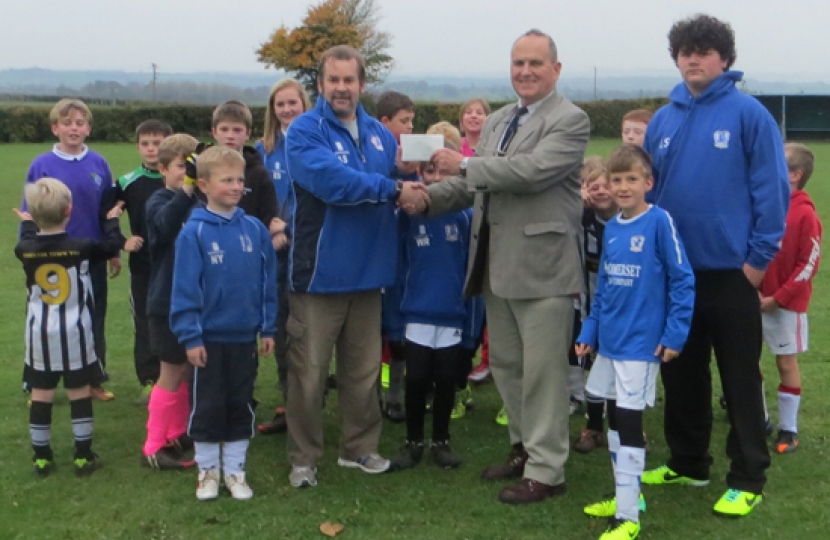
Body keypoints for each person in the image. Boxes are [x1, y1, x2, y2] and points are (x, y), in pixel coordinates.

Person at [416, 29, 591, 505]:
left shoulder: (570, 120)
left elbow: (530, 172)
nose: (526, 71)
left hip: (543, 268)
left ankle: (548, 470)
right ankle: (524, 449)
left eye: (536, 63)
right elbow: (475, 185)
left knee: (542, 374)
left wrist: (466, 165)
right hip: (497, 263)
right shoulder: (496, 121)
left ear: (555, 69)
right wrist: (423, 199)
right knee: (510, 367)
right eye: (518, 63)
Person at [641, 14, 789, 518]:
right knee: (680, 372)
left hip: (732, 274)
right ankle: (688, 463)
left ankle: (748, 475)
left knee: (739, 377)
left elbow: (772, 192)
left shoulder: (749, 115)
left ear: (724, 60)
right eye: (685, 51)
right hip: (677, 274)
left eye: (703, 51)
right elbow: (648, 194)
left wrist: (756, 262)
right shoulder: (663, 120)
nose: (693, 58)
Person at [283, 45, 426, 488]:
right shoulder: (305, 132)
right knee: (308, 375)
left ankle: (359, 449)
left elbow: (393, 182)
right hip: (320, 275)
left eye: (349, 80)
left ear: (362, 84)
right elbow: (334, 183)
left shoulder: (380, 135)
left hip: (370, 275)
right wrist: (395, 187)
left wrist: (413, 177)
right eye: (333, 80)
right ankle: (304, 457)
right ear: (321, 84)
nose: (341, 88)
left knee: (363, 373)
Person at [576, 145, 695, 540]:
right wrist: (590, 330)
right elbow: (605, 287)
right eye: (616, 179)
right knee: (613, 419)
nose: (623, 187)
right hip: (609, 343)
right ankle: (629, 496)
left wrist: (675, 333)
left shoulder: (660, 222)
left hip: (641, 345)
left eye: (631, 179)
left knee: (629, 423)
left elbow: (682, 279)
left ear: (648, 183)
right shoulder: (612, 228)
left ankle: (628, 519)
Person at [170, 146, 277, 501]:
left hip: (244, 337)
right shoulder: (194, 233)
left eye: (240, 180)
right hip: (207, 340)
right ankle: (207, 472)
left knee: (240, 402)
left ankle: (235, 471)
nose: (235, 186)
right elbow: (185, 289)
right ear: (203, 184)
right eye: (226, 180)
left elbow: (267, 282)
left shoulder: (255, 229)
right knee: (208, 405)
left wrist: (268, 327)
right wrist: (191, 336)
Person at [14, 178, 127, 477]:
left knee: (41, 393)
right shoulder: (82, 247)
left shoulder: (24, 249)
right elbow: (113, 244)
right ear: (69, 210)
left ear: (35, 215)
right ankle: (82, 455)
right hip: (75, 332)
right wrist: (112, 220)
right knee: (78, 391)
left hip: (39, 334)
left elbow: (25, 239)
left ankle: (41, 456)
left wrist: (27, 224)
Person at [23, 98, 120, 402]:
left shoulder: (99, 163)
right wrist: (28, 250)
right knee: (45, 320)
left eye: (80, 123)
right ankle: (38, 383)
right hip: (49, 258)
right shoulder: (41, 165)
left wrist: (113, 251)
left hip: (90, 256)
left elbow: (108, 210)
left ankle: (93, 378)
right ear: (55, 128)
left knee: (92, 318)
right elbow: (30, 212)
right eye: (67, 123)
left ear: (88, 128)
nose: (74, 128)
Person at [391, 143, 472, 471]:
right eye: (430, 171)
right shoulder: (408, 217)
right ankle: (413, 442)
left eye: (445, 173)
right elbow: (397, 268)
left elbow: (471, 270)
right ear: (419, 173)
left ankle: (441, 440)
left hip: (452, 312)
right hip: (417, 312)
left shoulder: (466, 216)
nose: (436, 178)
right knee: (417, 379)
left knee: (446, 379)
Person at [255, 78, 312, 436]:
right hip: (271, 252)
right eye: (281, 104)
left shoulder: (314, 144)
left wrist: (287, 230)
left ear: (304, 105)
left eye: (293, 103)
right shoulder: (263, 149)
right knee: (279, 326)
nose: (287, 110)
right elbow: (252, 198)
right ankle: (287, 404)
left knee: (306, 331)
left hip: (306, 248)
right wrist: (269, 228)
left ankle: (307, 404)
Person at [141, 134, 202, 470]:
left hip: (193, 300)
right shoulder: (159, 200)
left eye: (193, 166)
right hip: (165, 301)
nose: (187, 174)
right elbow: (164, 227)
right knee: (169, 371)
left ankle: (177, 432)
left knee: (185, 371)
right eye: (182, 167)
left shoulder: (198, 202)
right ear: (162, 168)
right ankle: (153, 445)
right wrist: (187, 191)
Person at [759, 143, 822, 455]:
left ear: (795, 175)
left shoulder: (805, 214)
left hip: (785, 306)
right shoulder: (763, 204)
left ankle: (789, 428)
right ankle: (760, 419)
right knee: (745, 361)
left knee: (785, 362)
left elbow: (809, 264)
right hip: (754, 299)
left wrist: (778, 297)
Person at [114, 119, 173, 403]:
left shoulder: (177, 179)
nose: (152, 149)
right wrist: (121, 241)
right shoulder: (127, 182)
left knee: (176, 320)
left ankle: (176, 377)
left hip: (175, 264)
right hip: (143, 266)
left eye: (158, 143)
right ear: (137, 147)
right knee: (145, 321)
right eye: (145, 144)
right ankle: (149, 380)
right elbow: (108, 215)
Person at [375, 89, 417, 423]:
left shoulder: (413, 159)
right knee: (370, 335)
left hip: (402, 258)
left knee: (399, 333)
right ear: (384, 122)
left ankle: (396, 396)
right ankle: (369, 398)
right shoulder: (372, 156)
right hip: (374, 254)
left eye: (412, 121)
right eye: (405, 121)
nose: (410, 127)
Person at [574, 163, 621, 455]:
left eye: (607, 184)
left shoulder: (630, 219)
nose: (601, 190)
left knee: (619, 369)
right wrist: (575, 199)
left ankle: (621, 425)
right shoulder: (581, 218)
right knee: (592, 368)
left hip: (623, 307)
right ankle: (592, 426)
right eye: (594, 185)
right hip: (588, 305)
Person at [211, 100, 278, 229]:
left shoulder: (259, 174)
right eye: (224, 129)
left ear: (248, 133)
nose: (230, 136)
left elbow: (268, 217)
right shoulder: (203, 169)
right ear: (214, 132)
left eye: (237, 130)